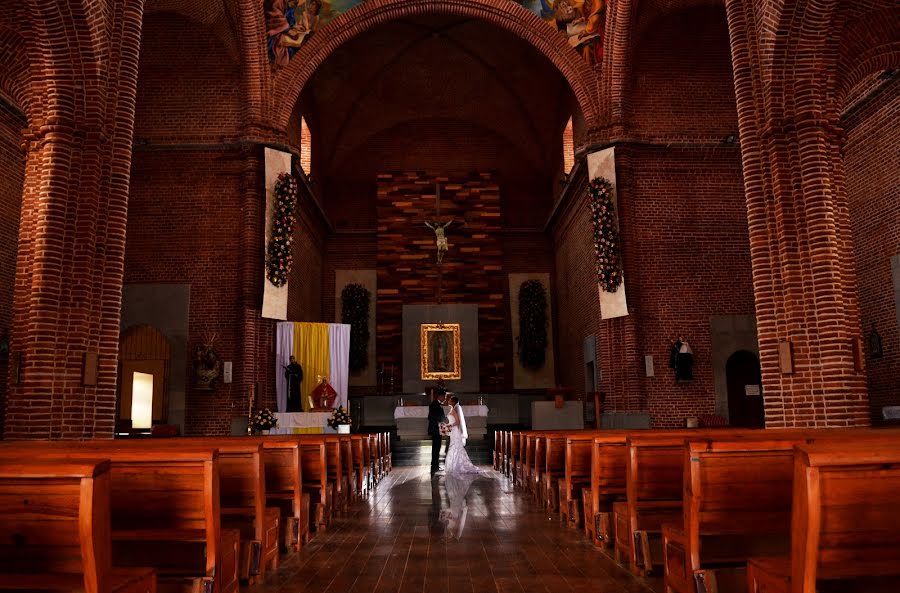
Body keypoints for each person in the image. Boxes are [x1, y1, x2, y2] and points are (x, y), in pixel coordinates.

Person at [444, 395, 490, 475]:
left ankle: (456, 466)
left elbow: (458, 422)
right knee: (454, 446)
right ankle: (454, 465)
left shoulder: (455, 409)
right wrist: (448, 425)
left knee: (455, 446)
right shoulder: (453, 409)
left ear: (453, 402)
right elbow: (454, 421)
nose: (448, 401)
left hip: (455, 431)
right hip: (453, 430)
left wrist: (450, 426)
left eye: (450, 400)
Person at [427, 390, 447, 476]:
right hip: (435, 430)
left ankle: (435, 465)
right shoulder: (434, 404)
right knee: (436, 447)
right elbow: (431, 416)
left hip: (438, 429)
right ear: (440, 396)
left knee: (437, 447)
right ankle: (434, 465)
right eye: (444, 396)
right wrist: (441, 422)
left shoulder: (437, 404)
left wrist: (443, 422)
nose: (445, 398)